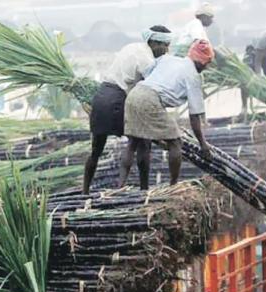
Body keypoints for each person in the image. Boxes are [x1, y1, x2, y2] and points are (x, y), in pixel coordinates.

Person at [82, 25, 172, 194]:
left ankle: (85, 191)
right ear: (154, 42)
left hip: (102, 96)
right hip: (119, 99)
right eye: (165, 45)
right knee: (140, 142)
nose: (166, 50)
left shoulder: (131, 47)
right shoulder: (148, 61)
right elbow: (151, 89)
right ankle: (134, 188)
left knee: (96, 149)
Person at [119, 40, 214, 190]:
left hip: (134, 94)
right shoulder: (193, 77)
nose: (206, 67)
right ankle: (173, 186)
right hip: (150, 99)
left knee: (133, 142)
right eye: (206, 63)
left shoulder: (168, 59)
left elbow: (147, 74)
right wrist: (203, 144)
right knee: (175, 142)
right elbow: (194, 116)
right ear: (201, 61)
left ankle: (120, 185)